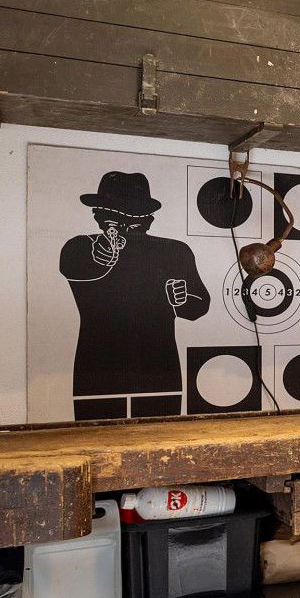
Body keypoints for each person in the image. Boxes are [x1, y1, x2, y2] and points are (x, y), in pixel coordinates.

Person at [58, 170, 209, 419]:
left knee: (164, 439)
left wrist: (180, 302)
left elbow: (199, 306)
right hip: (99, 368)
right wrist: (101, 257)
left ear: (147, 220)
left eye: (131, 221)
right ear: (98, 216)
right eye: (113, 220)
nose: (122, 230)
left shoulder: (174, 251)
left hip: (157, 367)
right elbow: (80, 266)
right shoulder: (80, 246)